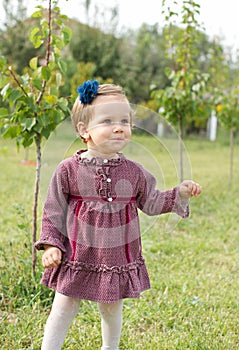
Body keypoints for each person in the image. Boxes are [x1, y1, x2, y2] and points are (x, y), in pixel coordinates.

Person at [35, 80, 202, 350]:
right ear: (84, 130)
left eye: (124, 120)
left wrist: (179, 195)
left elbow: (152, 202)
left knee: (111, 310)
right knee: (64, 305)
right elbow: (53, 209)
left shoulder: (134, 172)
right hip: (76, 254)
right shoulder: (68, 170)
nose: (118, 127)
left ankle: (109, 347)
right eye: (107, 121)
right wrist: (51, 244)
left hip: (114, 258)